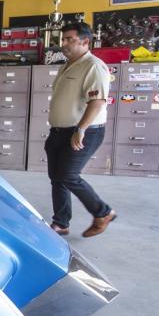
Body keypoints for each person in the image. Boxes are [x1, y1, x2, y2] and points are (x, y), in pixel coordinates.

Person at [45, 22, 116, 238]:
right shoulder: (67, 65)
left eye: (69, 39)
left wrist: (81, 129)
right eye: (63, 39)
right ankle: (61, 222)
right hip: (59, 132)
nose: (63, 43)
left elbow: (97, 102)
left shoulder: (93, 66)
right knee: (57, 177)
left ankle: (103, 212)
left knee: (68, 175)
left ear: (85, 42)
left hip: (84, 131)